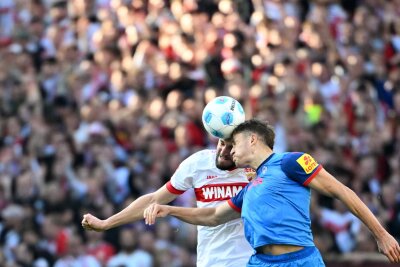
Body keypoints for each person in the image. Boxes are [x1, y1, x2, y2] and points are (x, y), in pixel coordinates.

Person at [143, 119, 400, 266]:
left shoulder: (291, 162)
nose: (230, 152)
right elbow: (212, 216)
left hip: (300, 261)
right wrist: (169, 209)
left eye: (235, 144)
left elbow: (343, 192)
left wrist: (381, 234)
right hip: (260, 263)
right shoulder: (249, 187)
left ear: (252, 139)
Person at [81, 139, 254, 267]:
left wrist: (170, 210)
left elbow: (215, 216)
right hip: (210, 261)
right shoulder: (198, 163)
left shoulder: (257, 170)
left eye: (231, 147)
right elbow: (154, 199)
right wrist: (107, 223)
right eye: (222, 143)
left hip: (249, 260)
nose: (223, 151)